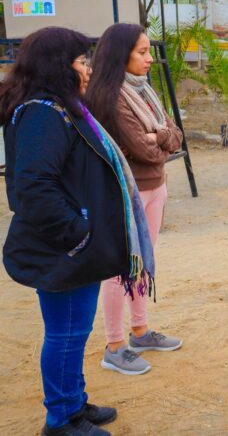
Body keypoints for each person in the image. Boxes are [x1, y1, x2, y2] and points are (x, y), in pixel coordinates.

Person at [1, 26, 155, 435]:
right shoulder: (42, 113)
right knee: (66, 335)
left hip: (71, 247)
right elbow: (33, 186)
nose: (88, 68)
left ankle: (73, 403)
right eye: (81, 60)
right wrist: (79, 232)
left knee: (73, 332)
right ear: (59, 66)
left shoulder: (63, 107)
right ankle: (60, 420)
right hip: (63, 249)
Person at [87, 23, 183, 375]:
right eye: (141, 52)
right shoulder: (112, 97)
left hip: (156, 187)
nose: (149, 59)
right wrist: (161, 138)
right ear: (119, 54)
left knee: (143, 264)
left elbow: (175, 136)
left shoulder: (144, 92)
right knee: (120, 269)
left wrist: (159, 135)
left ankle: (140, 330)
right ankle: (114, 346)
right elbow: (147, 151)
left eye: (148, 51)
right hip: (127, 193)